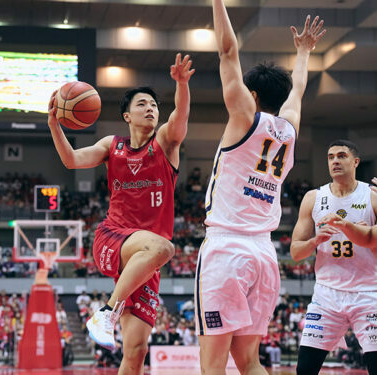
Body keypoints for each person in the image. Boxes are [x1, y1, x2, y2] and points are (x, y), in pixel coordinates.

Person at [196, 2, 326, 374]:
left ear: (251, 95)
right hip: (265, 256)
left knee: (213, 366)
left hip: (226, 251)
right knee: (249, 362)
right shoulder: (289, 128)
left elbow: (227, 51)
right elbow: (298, 90)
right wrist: (303, 52)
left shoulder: (242, 117)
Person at [48, 53, 194, 374]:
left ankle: (109, 313)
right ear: (127, 116)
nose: (151, 108)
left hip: (145, 261)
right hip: (113, 238)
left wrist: (182, 85)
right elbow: (71, 159)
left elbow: (181, 117)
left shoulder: (166, 143)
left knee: (136, 350)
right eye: (142, 104)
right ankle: (107, 312)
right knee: (164, 247)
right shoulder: (111, 146)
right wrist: (54, 124)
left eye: (154, 104)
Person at [291, 140, 377, 374]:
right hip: (327, 294)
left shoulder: (371, 196)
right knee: (305, 369)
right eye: (330, 157)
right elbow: (296, 252)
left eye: (341, 156)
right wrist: (314, 241)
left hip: (368, 292)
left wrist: (363, 233)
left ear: (356, 162)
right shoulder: (313, 197)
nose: (335, 161)